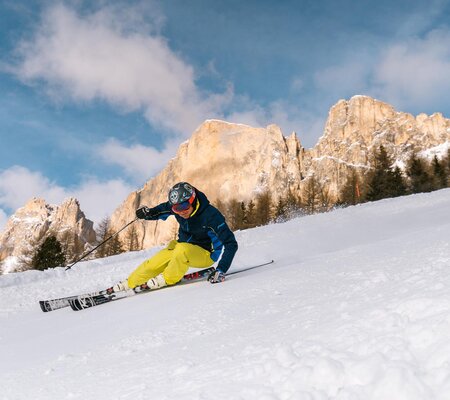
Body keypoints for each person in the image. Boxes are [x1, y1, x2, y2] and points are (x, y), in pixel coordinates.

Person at [107, 182, 238, 294]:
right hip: (182, 247)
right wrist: (147, 213)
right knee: (154, 262)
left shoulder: (211, 216)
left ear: (192, 200)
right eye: (176, 208)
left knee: (181, 249)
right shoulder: (176, 207)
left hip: (207, 254)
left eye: (184, 207)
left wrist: (221, 269)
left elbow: (231, 243)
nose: (180, 211)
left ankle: (167, 278)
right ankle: (129, 283)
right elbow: (160, 210)